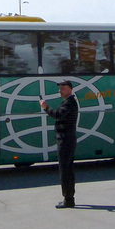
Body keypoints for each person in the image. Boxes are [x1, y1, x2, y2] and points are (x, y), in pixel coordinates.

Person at [40, 79, 79, 208]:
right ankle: (69, 198)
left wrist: (46, 107)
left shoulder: (69, 103)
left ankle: (68, 200)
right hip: (67, 139)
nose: (60, 90)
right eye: (60, 88)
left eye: (63, 88)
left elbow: (58, 115)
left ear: (70, 89)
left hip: (65, 140)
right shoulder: (68, 102)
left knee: (65, 170)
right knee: (67, 169)